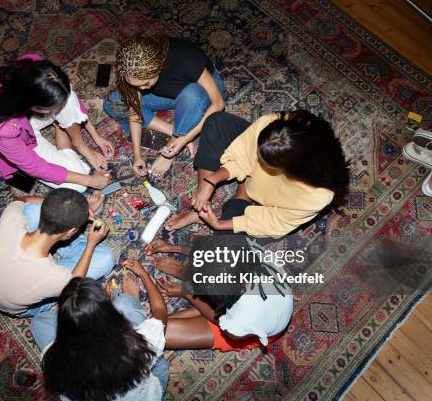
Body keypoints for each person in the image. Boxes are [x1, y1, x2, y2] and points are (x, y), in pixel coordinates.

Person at [166, 110, 350, 238]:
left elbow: (272, 222)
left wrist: (219, 225)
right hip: (264, 167)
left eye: (263, 161)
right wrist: (211, 180)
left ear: (293, 169)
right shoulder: (278, 126)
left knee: (225, 245)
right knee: (217, 122)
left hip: (266, 203)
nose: (256, 159)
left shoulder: (318, 196)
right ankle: (206, 203)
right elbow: (243, 154)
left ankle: (242, 194)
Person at [0, 53, 114, 193]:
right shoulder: (2, 129)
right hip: (21, 137)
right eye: (51, 108)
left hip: (24, 115)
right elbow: (34, 167)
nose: (58, 110)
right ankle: (62, 130)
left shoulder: (33, 66)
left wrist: (95, 136)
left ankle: (79, 145)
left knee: (64, 94)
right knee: (78, 186)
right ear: (34, 106)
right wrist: (89, 181)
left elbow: (70, 99)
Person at [29, 260, 169, 401]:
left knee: (38, 324)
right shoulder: (138, 347)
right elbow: (160, 310)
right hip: (144, 392)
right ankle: (125, 302)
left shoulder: (52, 361)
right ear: (109, 313)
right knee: (125, 303)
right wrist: (142, 278)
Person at [0, 188, 114, 317]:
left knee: (30, 210)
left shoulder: (11, 216)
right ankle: (67, 236)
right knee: (105, 259)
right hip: (12, 305)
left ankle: (60, 223)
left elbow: (22, 200)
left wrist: (60, 209)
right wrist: (91, 243)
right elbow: (75, 286)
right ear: (71, 232)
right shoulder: (51, 276)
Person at [103, 36, 226, 177]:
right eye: (136, 85)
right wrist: (136, 155)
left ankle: (173, 144)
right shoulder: (133, 70)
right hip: (170, 92)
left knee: (191, 96)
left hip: (201, 90)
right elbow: (135, 110)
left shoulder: (186, 59)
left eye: (145, 83)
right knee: (112, 103)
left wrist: (184, 139)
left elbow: (219, 103)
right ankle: (173, 129)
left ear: (157, 67)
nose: (141, 89)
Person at [145, 237, 293, 352]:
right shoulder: (248, 251)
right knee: (153, 326)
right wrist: (173, 248)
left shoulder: (242, 321)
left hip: (237, 325)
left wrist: (186, 292)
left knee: (149, 337)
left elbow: (220, 321)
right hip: (234, 304)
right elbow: (213, 252)